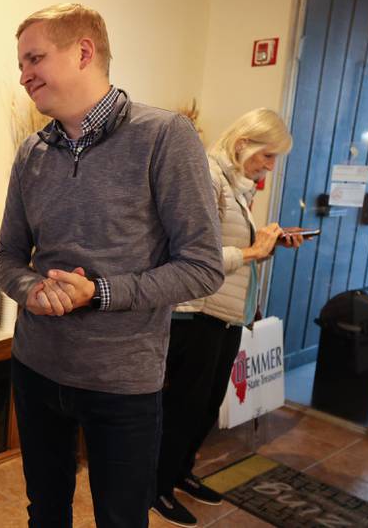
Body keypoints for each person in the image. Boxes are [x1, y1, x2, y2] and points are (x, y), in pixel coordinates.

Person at [0, 3, 224, 528]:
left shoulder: (164, 136)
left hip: (122, 383)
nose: (24, 75)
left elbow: (203, 266)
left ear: (83, 51)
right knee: (44, 513)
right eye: (21, 63)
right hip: (35, 369)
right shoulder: (32, 151)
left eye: (35, 58)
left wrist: (96, 293)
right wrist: (31, 289)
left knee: (121, 520)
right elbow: (7, 256)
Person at [153, 108, 299, 527]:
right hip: (198, 313)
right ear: (242, 145)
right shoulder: (208, 179)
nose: (270, 166)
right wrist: (254, 251)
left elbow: (231, 247)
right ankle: (156, 485)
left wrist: (266, 243)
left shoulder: (239, 188)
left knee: (207, 405)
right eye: (268, 156)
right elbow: (191, 257)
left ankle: (180, 473)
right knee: (184, 405)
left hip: (227, 315)